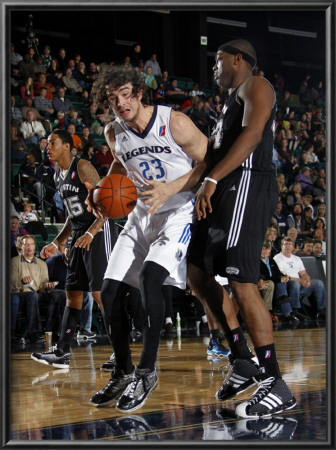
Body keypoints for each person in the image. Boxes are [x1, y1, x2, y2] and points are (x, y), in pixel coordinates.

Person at [86, 64, 208, 412]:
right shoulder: (114, 132)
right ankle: (122, 371)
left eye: (126, 94)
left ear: (139, 92)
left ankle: (147, 370)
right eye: (112, 99)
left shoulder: (176, 122)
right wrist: (101, 189)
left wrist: (170, 188)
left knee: (150, 280)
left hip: (176, 212)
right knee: (109, 293)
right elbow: (121, 167)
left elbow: (208, 158)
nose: (120, 102)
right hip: (140, 216)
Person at [186, 39, 296, 419]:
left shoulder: (257, 85)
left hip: (247, 184)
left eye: (216, 61)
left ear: (237, 59)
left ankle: (275, 381)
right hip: (225, 188)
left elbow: (251, 137)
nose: (213, 68)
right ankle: (242, 358)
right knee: (197, 272)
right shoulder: (227, 104)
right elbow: (212, 157)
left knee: (242, 282)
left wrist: (213, 180)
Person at [30, 129, 118, 369]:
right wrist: (58, 242)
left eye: (53, 143)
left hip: (98, 232)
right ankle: (62, 352)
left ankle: (120, 351)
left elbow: (106, 204)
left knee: (99, 293)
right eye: (47, 144)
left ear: (67, 146)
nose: (48, 147)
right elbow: (72, 215)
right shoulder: (58, 174)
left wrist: (91, 232)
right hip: (79, 234)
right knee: (73, 292)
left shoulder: (83, 166)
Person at [11, 235, 55, 342]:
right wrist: (21, 281)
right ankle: (34, 332)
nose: (29, 247)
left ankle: (57, 331)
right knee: (32, 295)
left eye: (31, 244)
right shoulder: (14, 262)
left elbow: (42, 286)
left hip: (36, 294)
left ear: (35, 246)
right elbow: (11, 284)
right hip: (19, 293)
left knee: (59, 295)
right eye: (26, 244)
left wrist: (48, 287)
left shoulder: (42, 264)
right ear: (21, 246)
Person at [273, 237, 326, 321]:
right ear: (281, 246)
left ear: (293, 247)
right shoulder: (277, 258)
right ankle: (295, 311)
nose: (287, 247)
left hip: (299, 285)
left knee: (318, 284)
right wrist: (300, 280)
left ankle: (321, 311)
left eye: (290, 245)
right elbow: (283, 276)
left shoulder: (296, 259)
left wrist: (307, 280)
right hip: (287, 285)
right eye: (285, 244)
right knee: (295, 283)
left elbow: (304, 273)